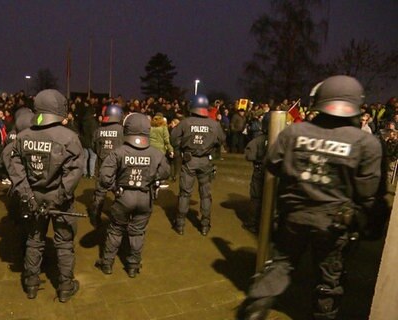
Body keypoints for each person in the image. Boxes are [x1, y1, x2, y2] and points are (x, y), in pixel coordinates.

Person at [238, 75, 383, 320]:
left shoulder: (294, 132)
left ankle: (257, 302)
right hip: (333, 224)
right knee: (329, 277)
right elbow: (367, 193)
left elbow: (272, 164)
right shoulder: (365, 143)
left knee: (282, 263)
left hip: (293, 217)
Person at [5, 89, 83, 302]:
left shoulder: (22, 137)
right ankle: (65, 287)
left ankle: (31, 284)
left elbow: (15, 169)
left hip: (33, 198)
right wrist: (59, 197)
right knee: (64, 243)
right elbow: (75, 172)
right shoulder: (69, 138)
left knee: (34, 240)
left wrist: (28, 196)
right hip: (60, 200)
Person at [95, 113, 170, 277]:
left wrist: (114, 187)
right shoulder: (156, 153)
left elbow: (104, 177)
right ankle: (133, 267)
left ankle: (107, 264)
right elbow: (165, 172)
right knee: (137, 232)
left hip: (123, 197)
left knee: (115, 230)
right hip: (145, 197)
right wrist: (150, 179)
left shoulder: (119, 152)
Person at [170, 94, 226, 236]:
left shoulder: (185, 122)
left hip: (189, 161)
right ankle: (205, 225)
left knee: (184, 193)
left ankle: (180, 224)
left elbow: (174, 139)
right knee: (205, 195)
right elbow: (222, 140)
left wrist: (182, 148)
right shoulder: (214, 124)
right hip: (206, 161)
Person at [88, 104, 125, 228]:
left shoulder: (98, 131)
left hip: (102, 168)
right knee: (120, 194)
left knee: (99, 194)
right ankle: (118, 219)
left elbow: (93, 147)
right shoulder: (122, 130)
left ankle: (95, 219)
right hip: (119, 169)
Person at [242, 113, 270, 234]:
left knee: (256, 198)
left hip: (260, 171)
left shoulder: (258, 140)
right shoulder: (283, 139)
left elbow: (249, 156)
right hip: (276, 173)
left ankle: (252, 223)